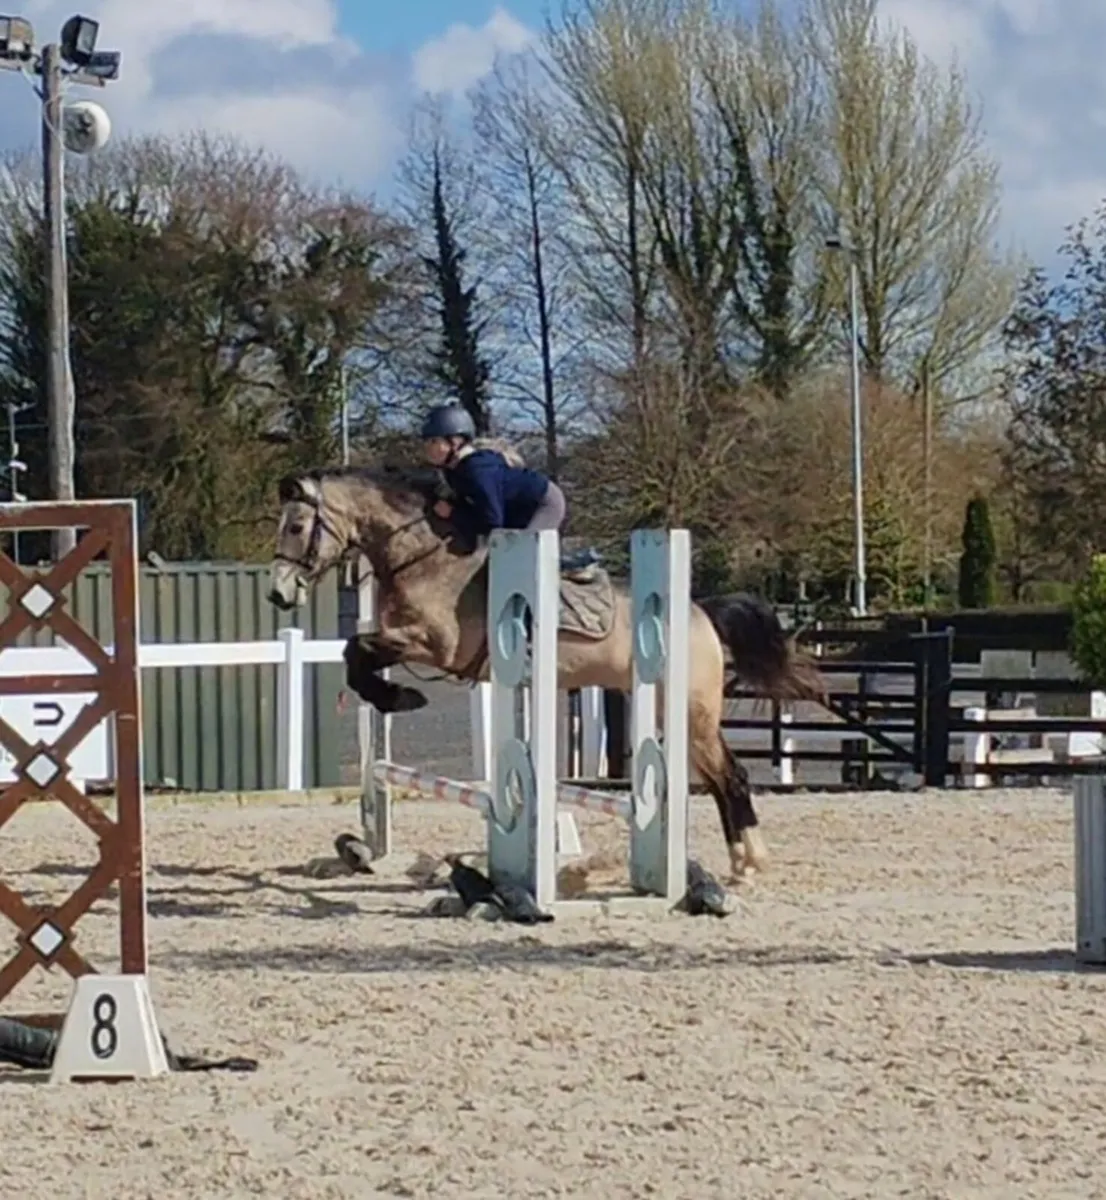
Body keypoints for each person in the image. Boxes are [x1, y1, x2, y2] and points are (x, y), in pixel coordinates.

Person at [420, 403, 567, 540]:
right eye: (426, 442)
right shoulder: (454, 471)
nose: (427, 448)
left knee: (523, 550)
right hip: (515, 509)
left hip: (544, 503)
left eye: (434, 441)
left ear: (455, 442)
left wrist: (453, 514)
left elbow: (492, 523)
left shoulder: (477, 471)